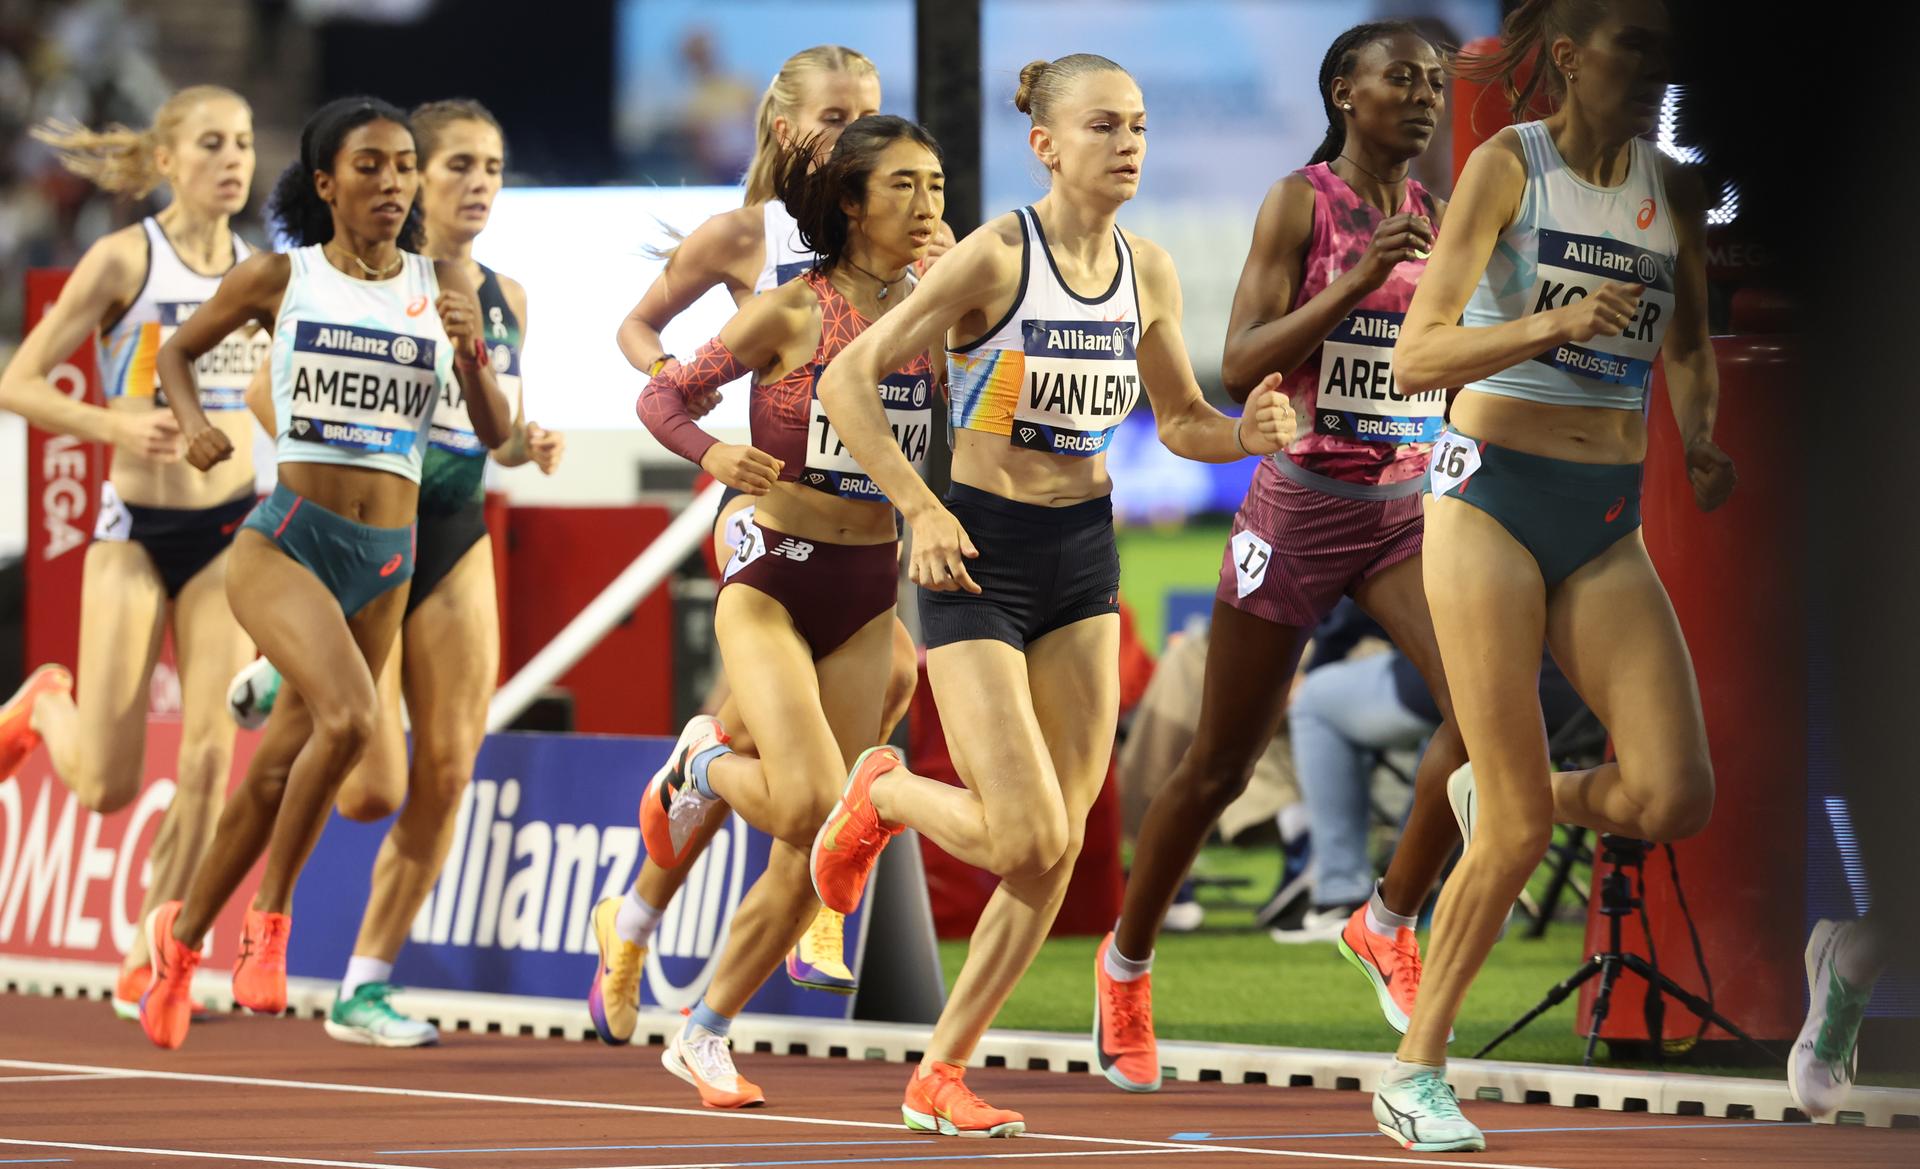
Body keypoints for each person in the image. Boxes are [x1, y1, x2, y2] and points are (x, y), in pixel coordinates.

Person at [805, 54, 1296, 1136]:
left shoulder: (1149, 269)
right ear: (1046, 143)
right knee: (1022, 833)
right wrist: (919, 510)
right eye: (1105, 126)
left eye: (1142, 126)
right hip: (978, 550)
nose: (1129, 144)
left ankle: (942, 1069)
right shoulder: (991, 258)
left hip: (1084, 555)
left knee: (1060, 843)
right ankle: (881, 791)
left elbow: (1178, 424)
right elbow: (849, 380)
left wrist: (1243, 436)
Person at [1375, 0, 1733, 1149]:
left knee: (1676, 794)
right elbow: (1422, 352)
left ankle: (1491, 800)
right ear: (1572, 58)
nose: (1656, 71)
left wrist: (1707, 435)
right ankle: (1414, 1071)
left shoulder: (1672, 190)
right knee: (1523, 826)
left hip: (1605, 517)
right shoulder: (1505, 165)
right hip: (1488, 498)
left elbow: (1687, 344)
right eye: (1636, 47)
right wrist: (1553, 322)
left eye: (1666, 54)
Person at [1092, 22, 1469, 1093]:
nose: (1425, 96)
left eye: (1437, 83)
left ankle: (1385, 917)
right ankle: (1126, 965)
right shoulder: (1302, 200)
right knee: (1216, 764)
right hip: (1297, 511)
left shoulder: (1436, 219)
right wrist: (1354, 284)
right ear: (1346, 90)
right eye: (1403, 78)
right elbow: (1240, 358)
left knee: (1485, 717)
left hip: (1400, 511)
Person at [136, 95, 512, 1050]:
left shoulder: (441, 287)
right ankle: (269, 926)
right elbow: (176, 356)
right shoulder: (281, 275)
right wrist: (194, 424)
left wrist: (470, 357)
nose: (391, 184)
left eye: (400, 168)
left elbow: (496, 436)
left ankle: (176, 949)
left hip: (387, 560)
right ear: (325, 183)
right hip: (286, 541)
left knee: (272, 779)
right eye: (370, 167)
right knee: (349, 722)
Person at [591, 44, 925, 1043]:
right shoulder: (748, 237)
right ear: (788, 130)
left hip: (864, 523)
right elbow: (640, 336)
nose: (855, 132)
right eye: (835, 117)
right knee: (852, 719)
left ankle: (637, 917)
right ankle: (812, 900)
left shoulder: (910, 239)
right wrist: (714, 432)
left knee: (779, 731)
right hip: (763, 514)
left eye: (869, 113)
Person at [224, 99, 566, 1046]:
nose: (479, 184)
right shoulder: (358, 280)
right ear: (411, 177)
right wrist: (338, 464)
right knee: (369, 786)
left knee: (449, 767)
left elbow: (485, 430)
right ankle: (280, 666)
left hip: (452, 532)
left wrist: (525, 439)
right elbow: (267, 392)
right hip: (356, 539)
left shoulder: (506, 297)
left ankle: (364, 986)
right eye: (458, 165)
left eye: (493, 167)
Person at [0, 86, 262, 1019]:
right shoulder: (123, 260)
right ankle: (46, 703)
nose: (232, 160)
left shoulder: (264, 273)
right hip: (135, 534)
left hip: (230, 529)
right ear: (165, 161)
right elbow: (18, 384)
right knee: (108, 783)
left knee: (206, 758)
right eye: (210, 144)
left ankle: (155, 949)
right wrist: (115, 418)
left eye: (242, 143)